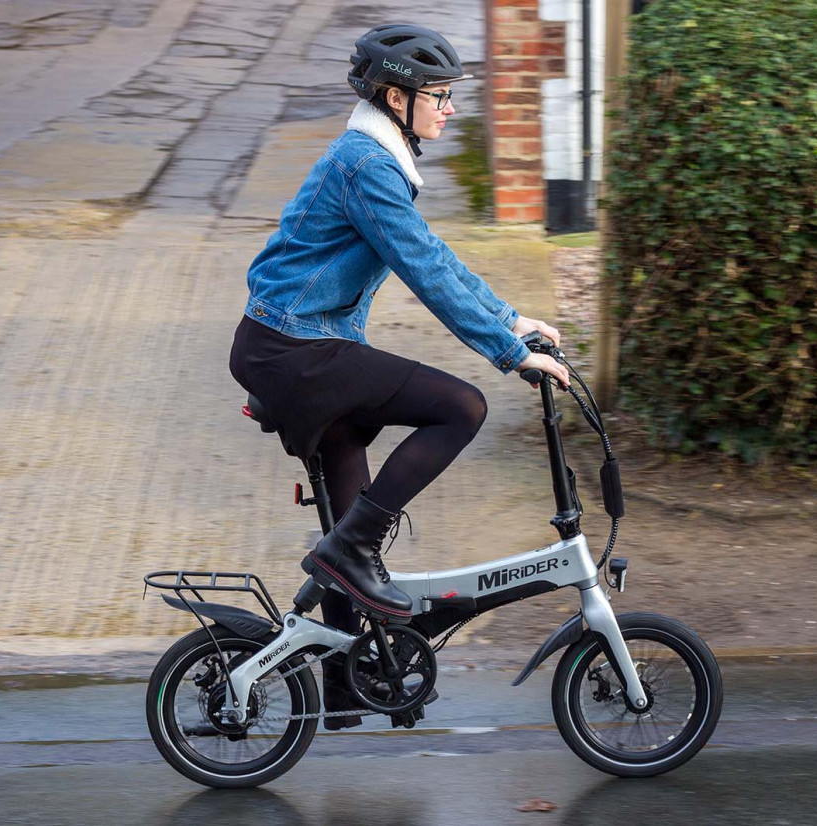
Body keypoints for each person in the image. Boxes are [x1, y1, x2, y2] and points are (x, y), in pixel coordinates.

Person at [228, 24, 569, 728]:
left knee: (352, 518)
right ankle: (352, 549)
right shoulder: (367, 165)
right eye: (438, 97)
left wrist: (511, 319)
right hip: (295, 351)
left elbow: (434, 256)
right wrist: (507, 354)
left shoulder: (377, 158)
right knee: (461, 407)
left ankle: (351, 678)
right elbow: (422, 270)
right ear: (395, 97)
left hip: (297, 345)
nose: (450, 109)